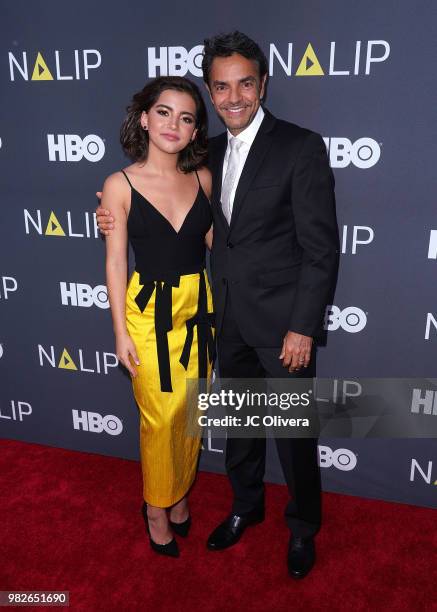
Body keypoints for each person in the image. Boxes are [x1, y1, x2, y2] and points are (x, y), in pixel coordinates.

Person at [97, 31, 339, 578]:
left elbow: (322, 250)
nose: (233, 97)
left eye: (244, 84)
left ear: (262, 85)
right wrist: (111, 212)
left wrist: (303, 327)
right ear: (210, 91)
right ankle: (245, 508)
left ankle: (302, 528)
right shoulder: (208, 154)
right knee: (241, 430)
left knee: (296, 435)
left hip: (283, 327)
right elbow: (190, 228)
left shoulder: (300, 146)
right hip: (221, 319)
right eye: (222, 87)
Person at [103, 76, 215, 558]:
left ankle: (181, 494)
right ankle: (155, 508)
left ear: (194, 132)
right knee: (158, 415)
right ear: (145, 119)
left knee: (191, 410)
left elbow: (218, 249)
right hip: (149, 311)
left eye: (186, 117)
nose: (174, 124)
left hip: (199, 308)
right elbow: (114, 262)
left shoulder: (204, 178)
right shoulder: (119, 184)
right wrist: (119, 332)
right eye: (164, 112)